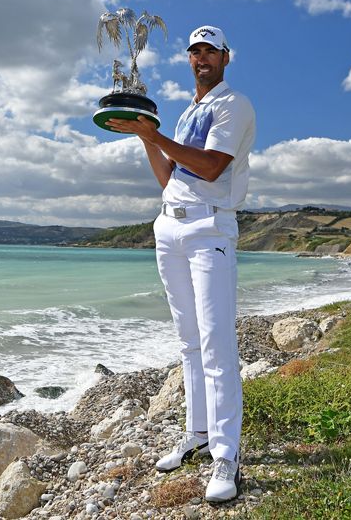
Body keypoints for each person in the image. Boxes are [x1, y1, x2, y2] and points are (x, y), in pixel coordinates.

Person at [106, 24, 256, 502]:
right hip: (168, 226)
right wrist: (145, 138)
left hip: (209, 228)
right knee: (189, 343)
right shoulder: (191, 110)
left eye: (210, 50)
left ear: (226, 57)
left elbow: (211, 166)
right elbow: (169, 177)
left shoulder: (233, 105)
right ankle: (197, 434)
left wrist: (157, 135)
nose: (201, 58)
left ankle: (227, 455)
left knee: (216, 344)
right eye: (195, 52)